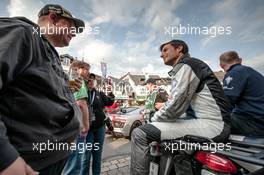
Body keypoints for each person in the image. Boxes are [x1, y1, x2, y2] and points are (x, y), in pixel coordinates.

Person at [0, 4, 85, 175]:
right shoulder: (23, 32)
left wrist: (65, 89)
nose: (75, 33)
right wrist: (5, 159)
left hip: (52, 158)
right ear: (53, 18)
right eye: (71, 26)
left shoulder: (47, 51)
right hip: (27, 164)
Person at [130, 40, 232, 175]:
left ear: (179, 48)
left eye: (165, 50)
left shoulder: (188, 65)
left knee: (139, 134)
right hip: (201, 121)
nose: (161, 55)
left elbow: (175, 105)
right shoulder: (185, 67)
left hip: (213, 125)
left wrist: (154, 119)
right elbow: (182, 108)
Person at [219, 51, 264, 137]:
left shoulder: (234, 73)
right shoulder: (252, 72)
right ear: (240, 60)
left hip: (253, 124)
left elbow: (226, 103)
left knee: (208, 120)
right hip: (259, 119)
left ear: (221, 65)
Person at [81, 73, 115, 175]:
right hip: (88, 130)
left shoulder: (99, 94)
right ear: (86, 81)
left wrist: (111, 93)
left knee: (97, 156)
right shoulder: (82, 93)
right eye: (89, 79)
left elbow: (110, 102)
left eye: (93, 80)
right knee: (86, 157)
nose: (91, 81)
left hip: (100, 129)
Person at [62, 61, 90, 175]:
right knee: (75, 164)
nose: (88, 72)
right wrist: (86, 125)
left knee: (70, 162)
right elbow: (81, 103)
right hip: (77, 127)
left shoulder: (68, 82)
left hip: (69, 125)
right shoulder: (79, 81)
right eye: (85, 69)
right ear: (77, 70)